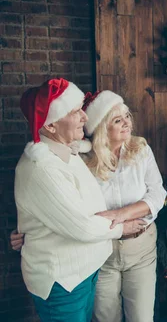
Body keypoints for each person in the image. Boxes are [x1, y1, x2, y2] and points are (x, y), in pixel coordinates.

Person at [13, 78, 144, 322]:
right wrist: (122, 227)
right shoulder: (42, 167)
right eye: (75, 112)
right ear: (51, 125)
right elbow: (81, 225)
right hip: (63, 281)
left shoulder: (67, 153)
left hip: (83, 273)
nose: (85, 117)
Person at [79, 90, 166, 322]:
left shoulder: (142, 150)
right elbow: (79, 210)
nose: (127, 123)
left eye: (127, 116)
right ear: (101, 128)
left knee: (142, 318)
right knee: (106, 318)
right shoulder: (84, 162)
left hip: (141, 248)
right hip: (102, 253)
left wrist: (120, 214)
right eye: (118, 120)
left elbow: (158, 194)